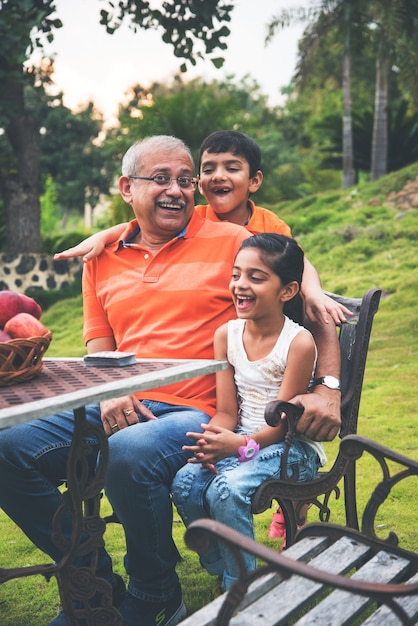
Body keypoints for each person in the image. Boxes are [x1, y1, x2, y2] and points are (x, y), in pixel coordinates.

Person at [0, 136, 249, 626]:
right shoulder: (101, 258)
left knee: (131, 451)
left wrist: (326, 386)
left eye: (185, 180)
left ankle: (155, 590)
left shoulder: (232, 241)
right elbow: (99, 344)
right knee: (7, 450)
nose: (176, 190)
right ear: (126, 188)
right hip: (118, 398)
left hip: (197, 406)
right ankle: (95, 583)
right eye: (160, 179)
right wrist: (116, 390)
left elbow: (293, 275)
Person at [55, 130, 350, 327]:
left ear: (254, 181)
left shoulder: (267, 225)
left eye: (232, 169)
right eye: (208, 170)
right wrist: (103, 236)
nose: (218, 176)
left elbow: (300, 261)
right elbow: (140, 223)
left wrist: (313, 293)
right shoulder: (196, 218)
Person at [171, 233, 327, 589]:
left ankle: (244, 584)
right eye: (236, 274)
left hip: (291, 449)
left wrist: (238, 446)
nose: (240, 285)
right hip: (243, 442)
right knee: (184, 482)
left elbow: (285, 426)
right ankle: (221, 563)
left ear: (287, 291)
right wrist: (211, 443)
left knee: (224, 489)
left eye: (256, 278)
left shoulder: (298, 343)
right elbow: (226, 410)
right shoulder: (225, 335)